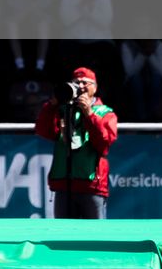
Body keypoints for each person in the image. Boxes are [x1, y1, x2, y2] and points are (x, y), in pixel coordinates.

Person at [34, 65, 118, 218]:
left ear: (95, 87)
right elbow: (43, 131)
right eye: (76, 82)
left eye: (85, 83)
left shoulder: (106, 113)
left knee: (95, 236)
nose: (80, 87)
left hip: (91, 186)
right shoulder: (62, 111)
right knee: (64, 237)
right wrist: (51, 105)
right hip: (64, 185)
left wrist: (89, 114)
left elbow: (104, 143)